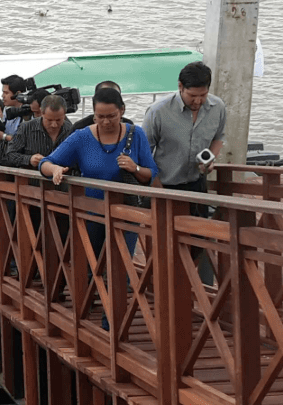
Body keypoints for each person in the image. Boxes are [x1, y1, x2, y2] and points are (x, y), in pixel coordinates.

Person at [40, 87, 158, 271]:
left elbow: (151, 173)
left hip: (126, 213)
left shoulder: (137, 134)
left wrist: (134, 168)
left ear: (122, 111)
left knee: (122, 269)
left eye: (111, 116)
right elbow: (45, 163)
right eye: (100, 117)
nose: (106, 122)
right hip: (90, 213)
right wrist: (55, 168)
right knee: (89, 267)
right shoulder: (81, 137)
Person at [143, 61, 226, 215]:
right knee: (165, 230)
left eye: (203, 95)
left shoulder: (218, 107)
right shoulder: (158, 111)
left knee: (199, 229)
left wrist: (210, 159)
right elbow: (144, 151)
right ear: (180, 86)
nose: (198, 101)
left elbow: (219, 137)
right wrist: (156, 185)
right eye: (192, 96)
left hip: (197, 184)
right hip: (165, 185)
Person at [1, 94, 73, 171]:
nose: (54, 125)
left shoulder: (71, 130)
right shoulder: (26, 128)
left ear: (64, 115)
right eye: (49, 120)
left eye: (59, 120)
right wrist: (29, 159)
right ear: (42, 113)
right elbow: (10, 154)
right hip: (31, 177)